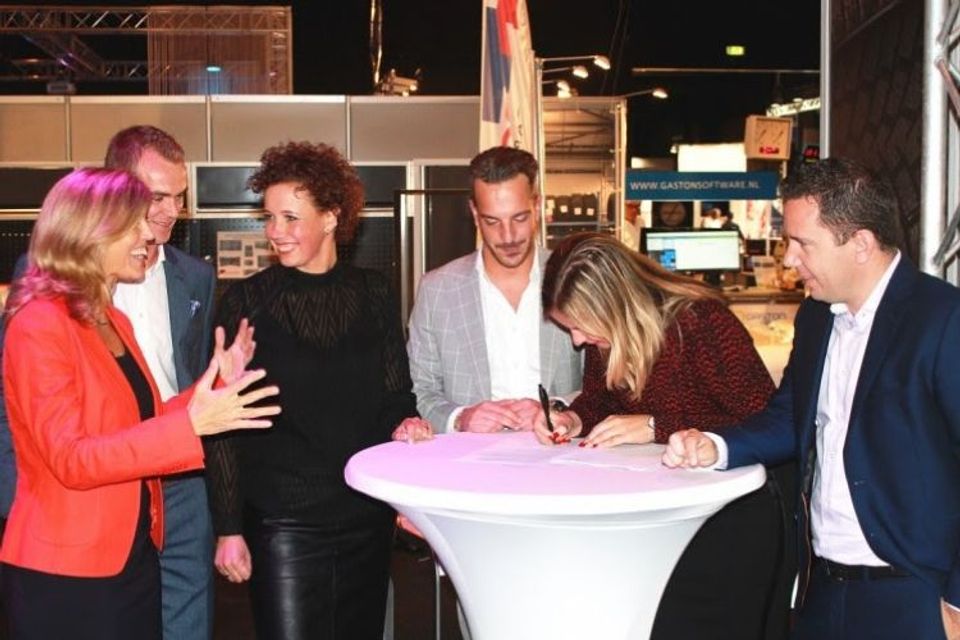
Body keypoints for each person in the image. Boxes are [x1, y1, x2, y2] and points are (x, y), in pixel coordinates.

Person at [663, 157, 960, 640]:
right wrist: (716, 446)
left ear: (861, 243)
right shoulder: (817, 316)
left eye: (803, 243)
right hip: (823, 587)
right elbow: (791, 414)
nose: (788, 259)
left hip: (916, 594)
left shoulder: (944, 319)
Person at [0, 167, 279, 639]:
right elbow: (71, 458)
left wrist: (210, 386)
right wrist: (192, 426)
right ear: (89, 232)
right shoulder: (39, 323)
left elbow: (139, 422)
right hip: (68, 571)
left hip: (131, 556)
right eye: (133, 225)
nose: (148, 235)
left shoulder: (111, 320)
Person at [204, 141, 425, 639]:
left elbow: (395, 395)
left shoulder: (374, 293)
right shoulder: (247, 301)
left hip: (366, 516)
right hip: (282, 524)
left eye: (290, 218)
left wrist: (407, 423)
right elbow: (220, 429)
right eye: (269, 217)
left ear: (331, 217)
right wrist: (228, 527)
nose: (274, 231)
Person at [535, 232, 790, 640]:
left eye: (580, 325)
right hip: (661, 518)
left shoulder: (701, 322)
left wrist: (656, 425)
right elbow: (600, 400)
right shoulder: (607, 337)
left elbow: (764, 419)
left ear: (615, 304)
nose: (577, 340)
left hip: (728, 520)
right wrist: (573, 419)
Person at [104, 124, 218, 640]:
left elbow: (192, 373)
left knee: (187, 616)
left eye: (179, 197)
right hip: (106, 473)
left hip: (180, 475)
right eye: (158, 197)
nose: (173, 211)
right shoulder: (61, 274)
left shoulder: (196, 277)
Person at [406, 146, 581, 434]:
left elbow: (605, 385)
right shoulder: (437, 291)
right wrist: (461, 418)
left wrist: (555, 408)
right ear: (475, 214)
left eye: (519, 218)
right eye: (492, 221)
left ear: (537, 206)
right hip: (471, 457)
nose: (508, 236)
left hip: (560, 453)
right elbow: (421, 390)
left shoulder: (574, 279)